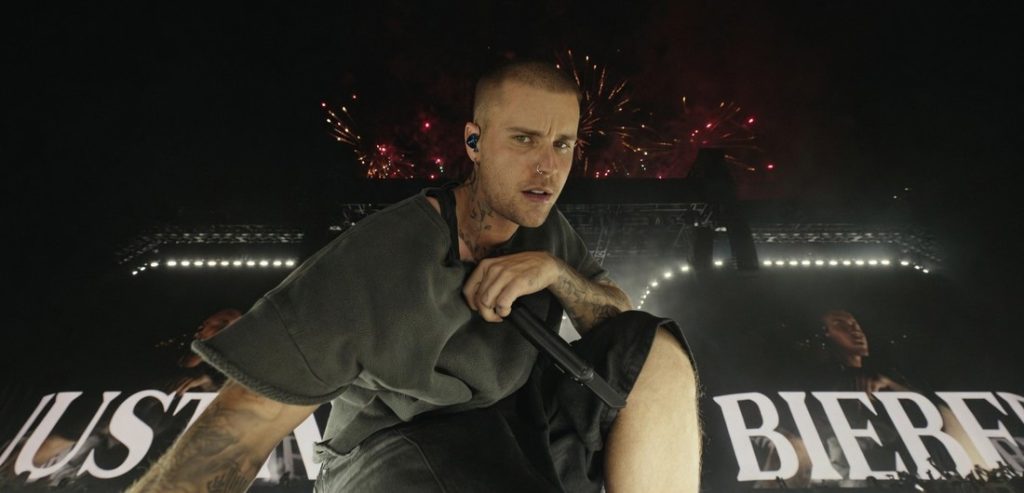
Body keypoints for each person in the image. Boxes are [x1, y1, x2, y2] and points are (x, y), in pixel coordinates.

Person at [129, 60, 700, 493]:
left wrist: (554, 272)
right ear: (474, 142)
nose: (548, 166)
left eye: (563, 144)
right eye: (524, 139)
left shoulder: (547, 232)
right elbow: (242, 428)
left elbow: (619, 319)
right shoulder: (378, 257)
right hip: (392, 448)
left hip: (520, 429)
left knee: (656, 348)